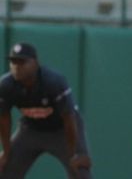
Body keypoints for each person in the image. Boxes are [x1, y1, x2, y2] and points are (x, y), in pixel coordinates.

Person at [0, 42, 92, 179]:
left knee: (79, 169)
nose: (17, 67)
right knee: (4, 168)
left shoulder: (53, 82)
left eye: (22, 62)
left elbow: (69, 119)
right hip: (31, 130)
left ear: (36, 63)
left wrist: (74, 153)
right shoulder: (6, 85)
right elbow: (3, 118)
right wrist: (6, 152)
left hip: (62, 131)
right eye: (13, 62)